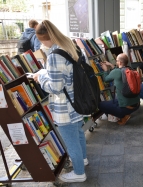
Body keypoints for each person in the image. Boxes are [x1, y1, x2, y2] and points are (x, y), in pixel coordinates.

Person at [33, 20, 88, 183]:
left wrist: (40, 77)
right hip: (76, 101)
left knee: (71, 142)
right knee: (78, 136)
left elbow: (55, 87)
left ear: (43, 39)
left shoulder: (55, 55)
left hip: (65, 108)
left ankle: (79, 173)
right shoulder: (69, 46)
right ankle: (83, 160)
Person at [98, 53, 140, 125]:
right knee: (114, 101)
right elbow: (119, 71)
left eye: (116, 61)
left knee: (101, 105)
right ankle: (126, 113)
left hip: (125, 108)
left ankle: (122, 116)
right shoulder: (130, 69)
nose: (116, 62)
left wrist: (105, 70)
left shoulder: (116, 71)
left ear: (120, 62)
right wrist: (111, 65)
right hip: (136, 105)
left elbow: (106, 79)